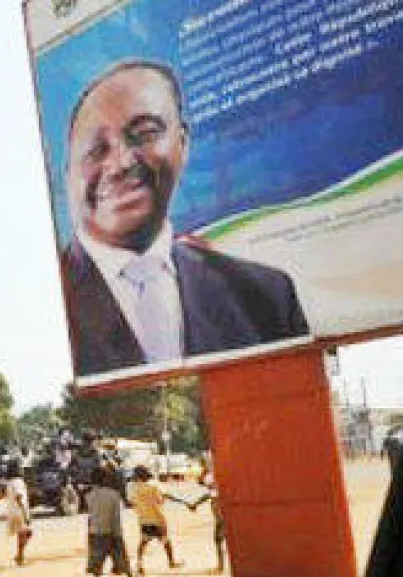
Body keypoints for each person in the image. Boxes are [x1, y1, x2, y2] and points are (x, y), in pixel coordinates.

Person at [60, 60, 309, 379]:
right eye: (96, 150)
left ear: (183, 142)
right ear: (68, 177)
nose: (121, 163)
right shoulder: (45, 310)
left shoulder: (265, 297)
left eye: (144, 134)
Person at [85, 465, 138, 577]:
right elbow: (116, 517)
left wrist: (90, 531)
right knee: (121, 557)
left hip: (95, 530)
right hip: (112, 531)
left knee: (97, 560)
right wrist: (118, 533)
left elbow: (90, 515)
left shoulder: (89, 496)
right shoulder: (114, 495)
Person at [129, 465, 185, 577]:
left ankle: (140, 565)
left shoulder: (133, 487)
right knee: (165, 541)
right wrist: (183, 502)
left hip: (144, 519)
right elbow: (165, 496)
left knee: (143, 542)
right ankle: (171, 562)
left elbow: (131, 502)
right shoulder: (154, 485)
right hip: (158, 518)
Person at [187, 464, 226, 574]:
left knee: (218, 541)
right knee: (219, 541)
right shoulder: (214, 483)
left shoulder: (211, 481)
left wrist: (194, 504)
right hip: (221, 518)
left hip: (221, 519)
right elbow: (208, 495)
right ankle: (221, 566)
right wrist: (195, 504)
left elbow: (210, 495)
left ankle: (221, 567)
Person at [4, 460, 33, 567]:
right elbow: (19, 497)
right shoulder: (18, 482)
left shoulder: (10, 482)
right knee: (27, 533)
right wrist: (26, 514)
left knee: (22, 534)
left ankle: (20, 556)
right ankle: (20, 556)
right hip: (19, 512)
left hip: (13, 512)